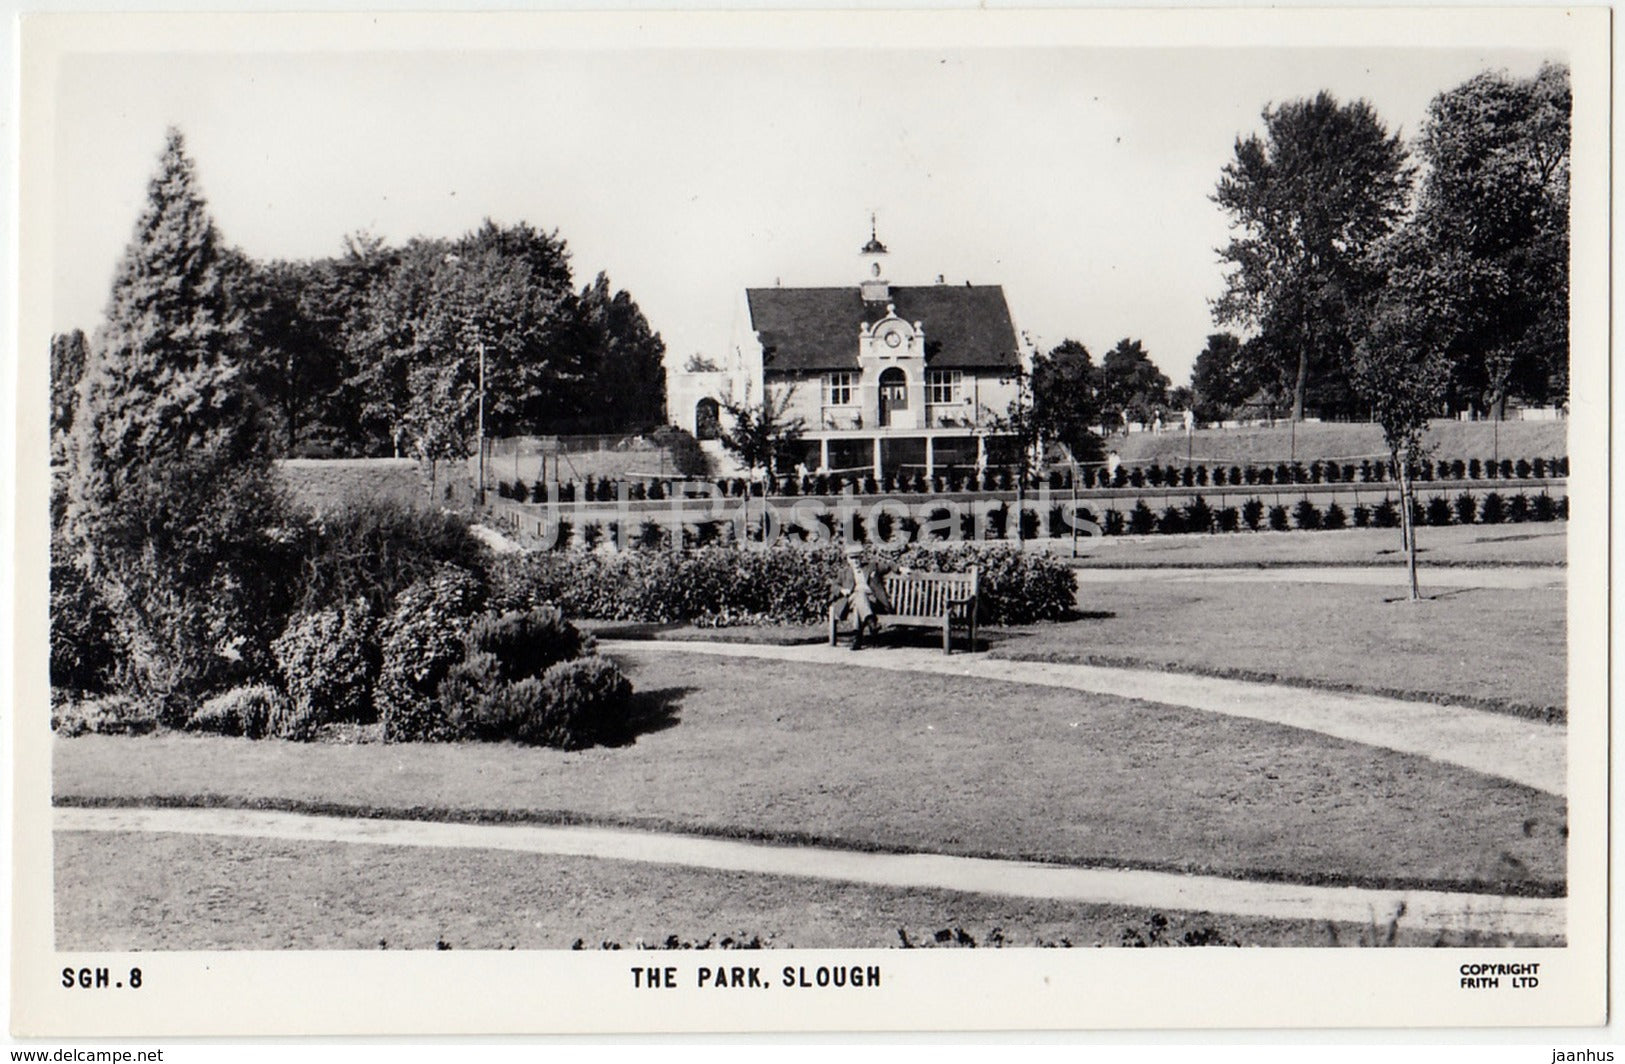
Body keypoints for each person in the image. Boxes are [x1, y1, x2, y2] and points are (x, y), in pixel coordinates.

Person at [830, 543, 893, 650]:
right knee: (860, 595)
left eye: (857, 558)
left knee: (858, 606)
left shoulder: (871, 567)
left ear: (861, 558)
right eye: (852, 558)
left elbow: (889, 565)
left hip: (871, 601)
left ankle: (857, 638)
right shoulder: (844, 572)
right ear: (848, 560)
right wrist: (841, 590)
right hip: (851, 598)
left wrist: (901, 569)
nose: (855, 561)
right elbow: (833, 586)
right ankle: (871, 623)